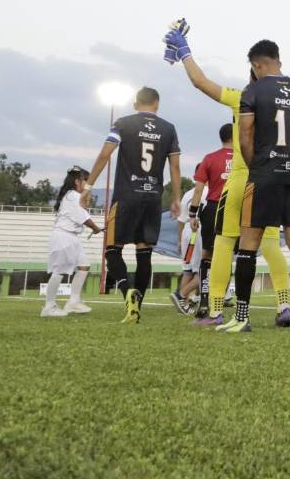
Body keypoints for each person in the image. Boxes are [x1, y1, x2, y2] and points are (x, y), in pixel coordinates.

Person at [165, 24, 290, 328]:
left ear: (256, 66)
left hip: (248, 178)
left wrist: (184, 51)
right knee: (274, 245)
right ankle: (285, 305)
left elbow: (200, 81)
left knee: (226, 242)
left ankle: (219, 310)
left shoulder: (245, 95)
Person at [218, 40, 290, 335]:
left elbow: (245, 137)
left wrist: (256, 167)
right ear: (278, 59)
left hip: (265, 173)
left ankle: (241, 316)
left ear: (256, 64)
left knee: (248, 244)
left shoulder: (252, 91)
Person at [84, 87, 182, 324]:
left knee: (112, 249)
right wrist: (176, 198)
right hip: (152, 198)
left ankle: (127, 292)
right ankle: (136, 307)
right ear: (157, 105)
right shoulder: (168, 129)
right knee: (144, 252)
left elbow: (105, 154)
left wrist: (88, 187)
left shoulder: (123, 123)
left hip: (126, 196)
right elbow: (175, 167)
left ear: (135, 104)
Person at [188, 124, 235, 320]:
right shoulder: (245, 158)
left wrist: (193, 214)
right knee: (230, 256)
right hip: (235, 210)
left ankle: (205, 300)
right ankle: (227, 299)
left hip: (214, 208)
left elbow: (198, 190)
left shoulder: (209, 158)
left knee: (208, 255)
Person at [43, 167, 102, 317]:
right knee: (59, 271)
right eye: (86, 181)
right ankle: (49, 306)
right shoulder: (73, 196)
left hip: (72, 237)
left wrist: (87, 196)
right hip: (64, 237)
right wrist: (96, 228)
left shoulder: (75, 196)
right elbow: (84, 218)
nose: (89, 185)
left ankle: (73, 302)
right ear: (77, 182)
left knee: (84, 266)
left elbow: (84, 210)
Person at [172, 184, 201, 313]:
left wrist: (179, 240)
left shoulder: (187, 195)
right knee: (203, 271)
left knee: (187, 270)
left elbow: (181, 220)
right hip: (198, 233)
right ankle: (181, 295)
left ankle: (183, 304)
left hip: (186, 234)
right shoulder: (208, 192)